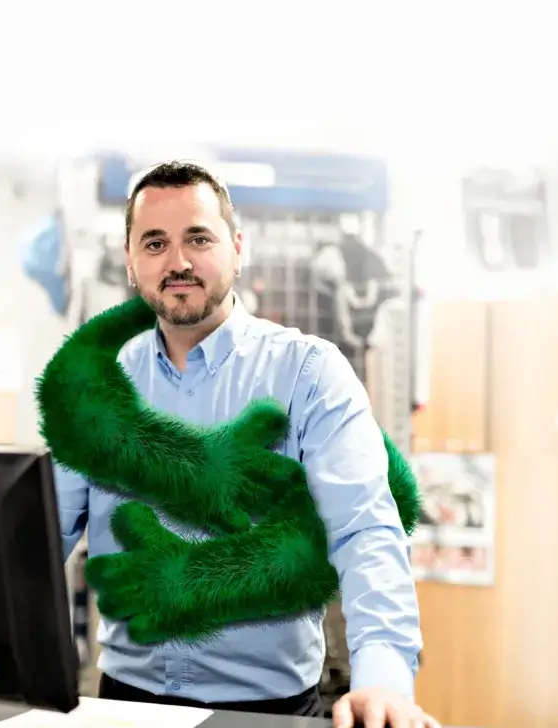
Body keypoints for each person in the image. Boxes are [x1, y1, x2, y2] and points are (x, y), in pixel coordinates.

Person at [53, 160, 437, 728]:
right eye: (154, 243)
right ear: (131, 263)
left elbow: (364, 531)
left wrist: (382, 679)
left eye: (198, 238)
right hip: (125, 703)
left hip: (267, 712)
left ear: (237, 249)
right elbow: (38, 538)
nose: (178, 262)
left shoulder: (309, 374)